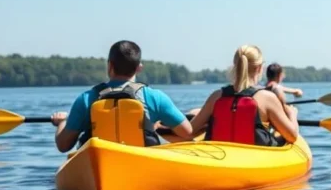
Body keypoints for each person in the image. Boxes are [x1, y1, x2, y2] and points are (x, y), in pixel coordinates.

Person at [52, 40, 194, 153]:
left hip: (100, 165)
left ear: (110, 65)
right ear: (139, 67)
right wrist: (155, 126)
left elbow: (63, 145)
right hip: (142, 163)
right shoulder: (155, 97)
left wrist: (62, 122)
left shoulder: (86, 99)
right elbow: (187, 133)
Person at [189, 45, 300, 147]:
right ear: (260, 68)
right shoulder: (267, 98)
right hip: (254, 161)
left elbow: (189, 131)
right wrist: (292, 114)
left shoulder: (216, 96)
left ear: (235, 66)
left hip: (220, 158)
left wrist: (206, 126)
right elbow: (292, 136)